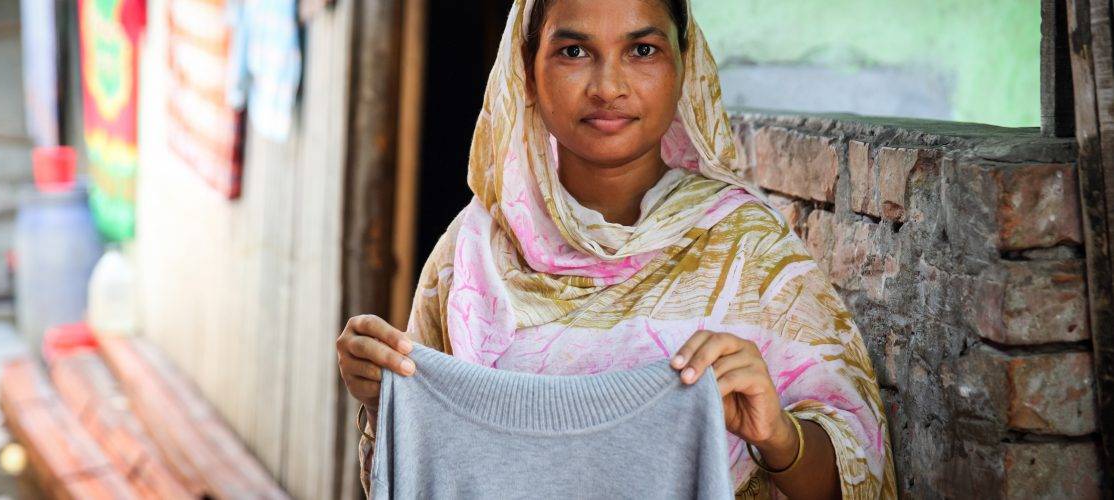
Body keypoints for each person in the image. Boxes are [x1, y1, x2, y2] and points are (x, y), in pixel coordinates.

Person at [336, 0, 897, 497]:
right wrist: (384, 397)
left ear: (683, 69)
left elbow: (859, 474)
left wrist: (777, 435)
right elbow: (419, 467)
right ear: (527, 73)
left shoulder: (750, 250)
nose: (608, 85)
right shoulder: (471, 255)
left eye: (643, 50)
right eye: (575, 50)